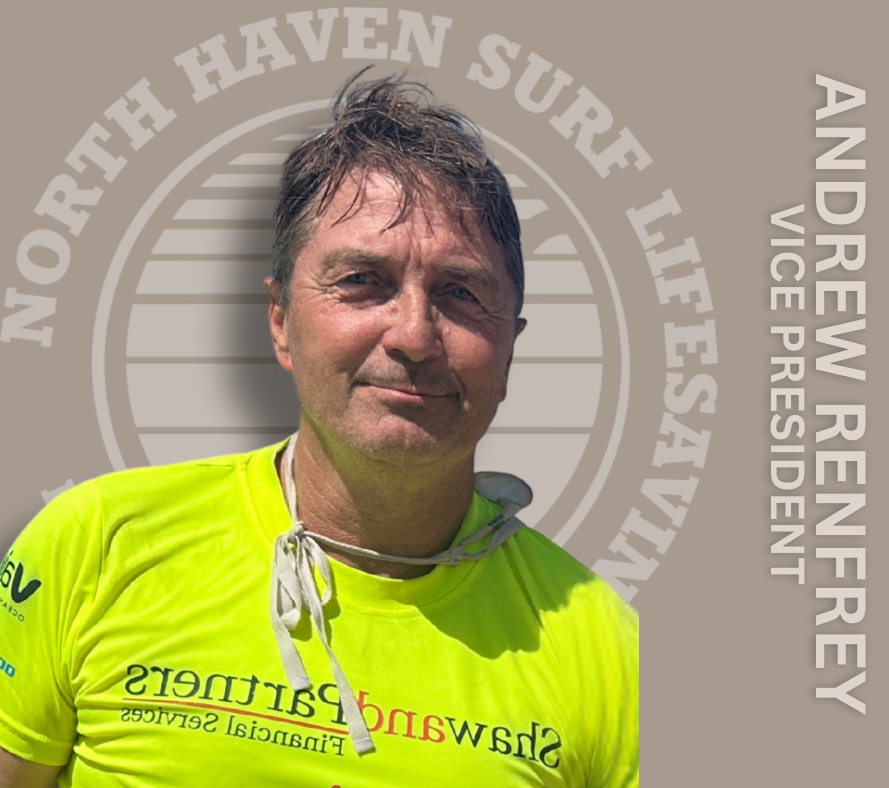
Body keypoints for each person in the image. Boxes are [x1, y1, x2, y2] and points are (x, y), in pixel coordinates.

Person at [0, 72, 638, 787]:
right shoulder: (96, 543)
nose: (414, 336)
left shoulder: (613, 653)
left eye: (460, 293)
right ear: (281, 322)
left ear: (511, 349)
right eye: (362, 280)